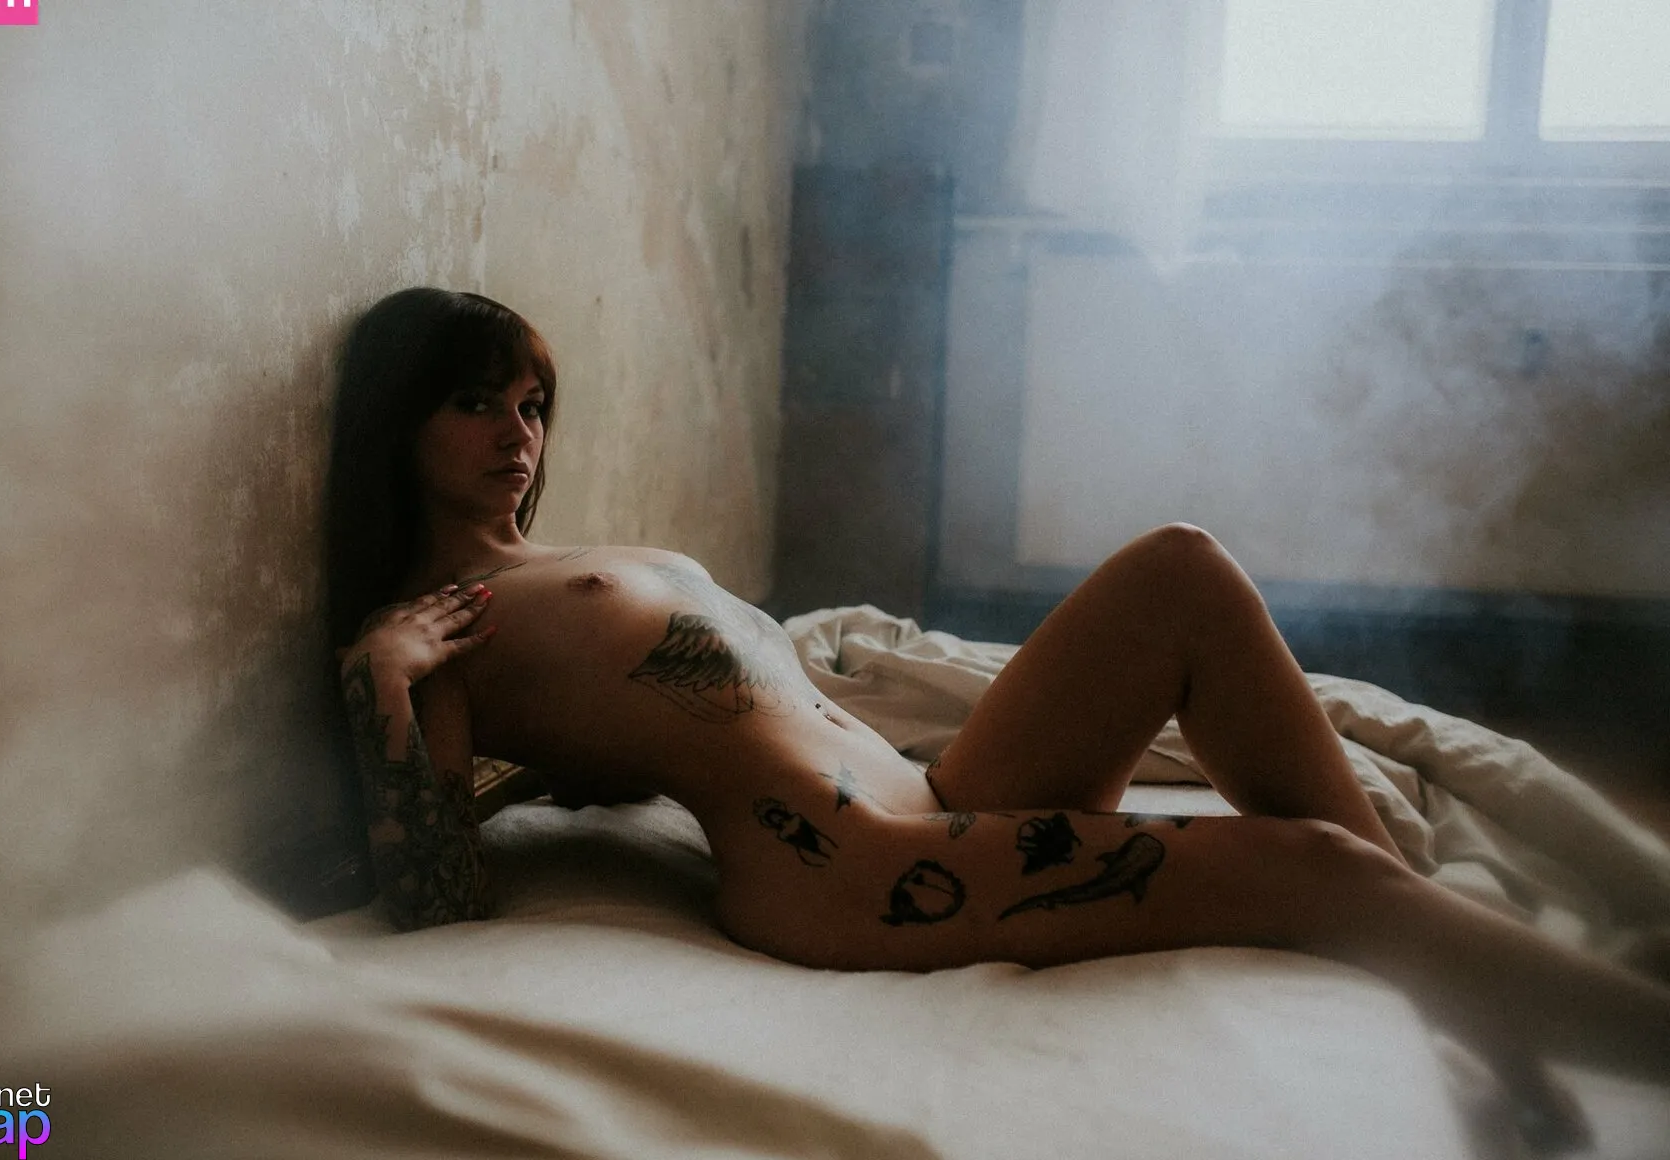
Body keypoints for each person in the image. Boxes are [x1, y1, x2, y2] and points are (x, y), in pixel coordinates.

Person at [323, 287, 1670, 1098]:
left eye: (533, 405)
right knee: (1315, 869)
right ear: (399, 422)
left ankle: (1431, 955)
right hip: (854, 873)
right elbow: (435, 901)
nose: (519, 436)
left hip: (931, 793)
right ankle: (1518, 996)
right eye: (477, 405)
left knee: (1182, 569)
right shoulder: (427, 636)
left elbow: (629, 733)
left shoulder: (559, 564)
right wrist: (385, 681)